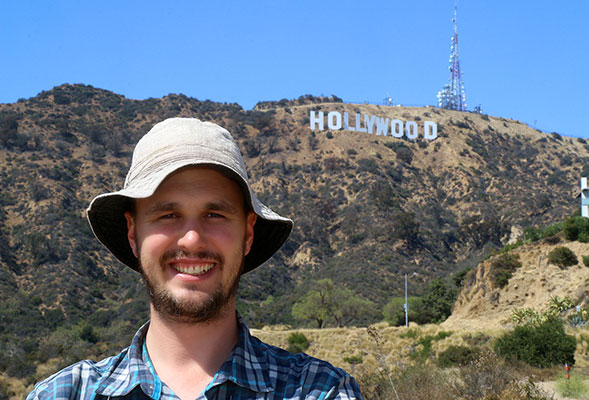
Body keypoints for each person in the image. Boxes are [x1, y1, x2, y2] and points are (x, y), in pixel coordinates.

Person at [27, 118, 362, 400]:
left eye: (214, 214)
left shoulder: (319, 391)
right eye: (168, 215)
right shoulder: (66, 393)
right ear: (133, 233)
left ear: (247, 233)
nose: (191, 239)